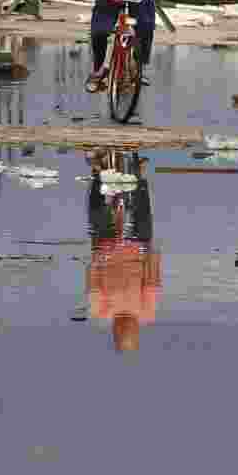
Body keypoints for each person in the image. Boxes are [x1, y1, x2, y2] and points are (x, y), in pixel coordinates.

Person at [85, 150, 160, 353]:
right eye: (130, 334)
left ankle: (98, 173)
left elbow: (93, 283)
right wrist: (152, 254)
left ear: (115, 333)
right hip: (137, 247)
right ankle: (139, 175)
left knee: (98, 216)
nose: (126, 329)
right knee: (141, 218)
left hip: (106, 248)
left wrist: (96, 256)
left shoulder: (100, 311)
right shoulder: (146, 312)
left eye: (123, 334)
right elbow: (152, 283)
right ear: (136, 332)